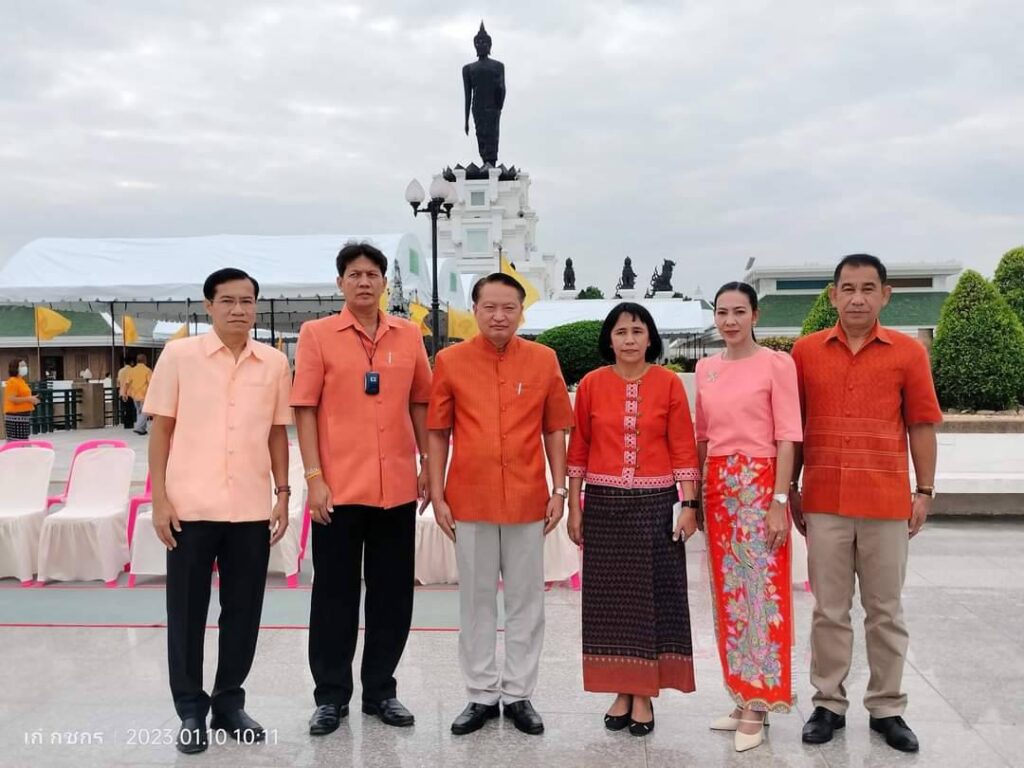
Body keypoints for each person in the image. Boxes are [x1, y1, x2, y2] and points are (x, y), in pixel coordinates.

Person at [791, 254, 941, 754]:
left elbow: (921, 423)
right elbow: (794, 428)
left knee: (885, 610)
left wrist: (924, 491)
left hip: (885, 500)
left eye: (868, 288)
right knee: (829, 610)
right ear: (833, 295)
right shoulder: (806, 352)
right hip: (825, 501)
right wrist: (790, 487)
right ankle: (828, 704)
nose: (858, 298)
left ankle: (887, 707)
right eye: (848, 288)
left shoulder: (908, 353)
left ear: (885, 295)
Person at [144, 268, 292, 755]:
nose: (238, 310)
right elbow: (161, 431)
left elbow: (276, 432)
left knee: (243, 611)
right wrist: (159, 499)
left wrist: (283, 492)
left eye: (246, 301)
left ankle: (229, 703)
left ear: (256, 307)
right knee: (186, 612)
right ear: (208, 306)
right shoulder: (179, 356)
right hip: (189, 508)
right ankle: (190, 709)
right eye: (227, 301)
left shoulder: (273, 363)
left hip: (250, 508)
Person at [291, 241, 432, 735]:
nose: (364, 282)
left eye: (373, 274)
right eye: (355, 274)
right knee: (335, 595)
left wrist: (428, 463)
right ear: (340, 283)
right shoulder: (317, 334)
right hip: (338, 490)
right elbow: (304, 407)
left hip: (396, 487)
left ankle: (381, 691)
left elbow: (421, 403)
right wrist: (314, 478)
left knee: (392, 595)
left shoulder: (408, 335)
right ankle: (331, 696)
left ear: (384, 282)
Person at [428, 273, 573, 737]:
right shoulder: (449, 361)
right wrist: (437, 493)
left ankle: (519, 693)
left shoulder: (544, 360)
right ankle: (480, 694)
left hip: (529, 498)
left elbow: (555, 429)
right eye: (489, 307)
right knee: (475, 601)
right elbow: (438, 432)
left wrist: (559, 490)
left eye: (509, 307)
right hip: (469, 498)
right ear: (474, 310)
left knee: (526, 601)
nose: (498, 316)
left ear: (521, 312)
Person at [566, 303, 699, 737]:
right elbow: (579, 449)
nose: (629, 339)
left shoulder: (668, 384)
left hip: (655, 506)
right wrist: (574, 507)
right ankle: (621, 689)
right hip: (604, 507)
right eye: (621, 331)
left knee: (652, 600)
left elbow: (683, 446)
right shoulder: (591, 384)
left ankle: (643, 693)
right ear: (609, 339)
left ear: (650, 338)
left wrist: (689, 504)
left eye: (637, 331)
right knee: (610, 604)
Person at [694, 283, 802, 752]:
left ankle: (761, 701)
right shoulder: (706, 368)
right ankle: (741, 695)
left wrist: (779, 499)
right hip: (718, 487)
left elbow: (787, 436)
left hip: (760, 486)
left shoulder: (777, 364)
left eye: (739, 311)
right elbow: (702, 437)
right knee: (729, 597)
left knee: (762, 592)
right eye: (722, 312)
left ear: (755, 315)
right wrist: (697, 498)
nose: (730, 321)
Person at [4, 360, 39, 441]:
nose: (25, 367)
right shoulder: (13, 381)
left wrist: (32, 399)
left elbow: (23, 396)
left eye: (25, 365)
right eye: (22, 366)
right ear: (15, 368)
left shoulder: (21, 381)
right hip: (15, 415)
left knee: (23, 439)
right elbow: (12, 398)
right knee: (17, 441)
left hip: (23, 414)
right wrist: (29, 399)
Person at [129, 352, 153, 434]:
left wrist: (126, 393)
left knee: (138, 411)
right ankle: (139, 427)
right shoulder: (147, 370)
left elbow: (128, 382)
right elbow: (151, 383)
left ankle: (142, 429)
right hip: (144, 394)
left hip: (134, 394)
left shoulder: (132, 370)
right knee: (145, 412)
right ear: (145, 360)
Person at [116, 357, 136, 430]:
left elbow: (118, 382)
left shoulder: (120, 371)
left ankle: (126, 423)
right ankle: (130, 424)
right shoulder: (133, 370)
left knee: (125, 409)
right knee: (130, 409)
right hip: (130, 392)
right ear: (132, 362)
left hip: (122, 392)